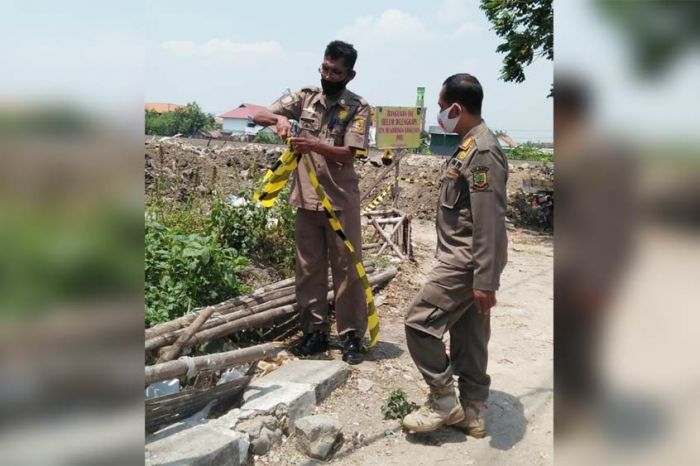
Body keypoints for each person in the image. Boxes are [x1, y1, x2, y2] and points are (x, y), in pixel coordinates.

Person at [402, 74, 508, 436]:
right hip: (470, 260)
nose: (440, 114)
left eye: (442, 107)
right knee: (469, 333)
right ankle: (474, 412)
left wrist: (485, 279)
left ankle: (443, 400)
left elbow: (489, 220)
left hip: (465, 260)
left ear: (457, 108)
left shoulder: (481, 152)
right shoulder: (469, 145)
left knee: (418, 323)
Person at [252, 40, 370, 364]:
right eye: (325, 68)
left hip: (340, 201)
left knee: (346, 272)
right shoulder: (304, 97)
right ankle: (314, 333)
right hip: (306, 199)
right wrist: (277, 121)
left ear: (350, 75)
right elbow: (258, 112)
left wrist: (315, 145)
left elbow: (351, 152)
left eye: (336, 72)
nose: (328, 75)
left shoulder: (358, 108)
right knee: (308, 270)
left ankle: (350, 337)